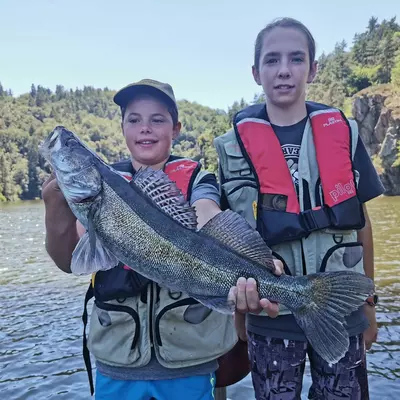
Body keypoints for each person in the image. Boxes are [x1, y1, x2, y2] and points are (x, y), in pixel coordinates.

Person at [41, 78, 282, 400]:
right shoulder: (106, 187)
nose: (145, 128)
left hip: (191, 362)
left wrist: (257, 268)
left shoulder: (198, 177)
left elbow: (207, 213)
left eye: (157, 119)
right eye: (134, 119)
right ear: (123, 126)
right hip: (117, 360)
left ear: (176, 128)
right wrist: (54, 205)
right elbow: (69, 260)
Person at [215, 18, 384, 400]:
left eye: (296, 58)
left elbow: (363, 226)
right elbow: (230, 238)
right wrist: (242, 314)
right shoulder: (232, 147)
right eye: (272, 60)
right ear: (257, 72)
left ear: (313, 67)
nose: (284, 70)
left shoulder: (344, 132)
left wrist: (370, 307)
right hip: (271, 319)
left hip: (344, 312)